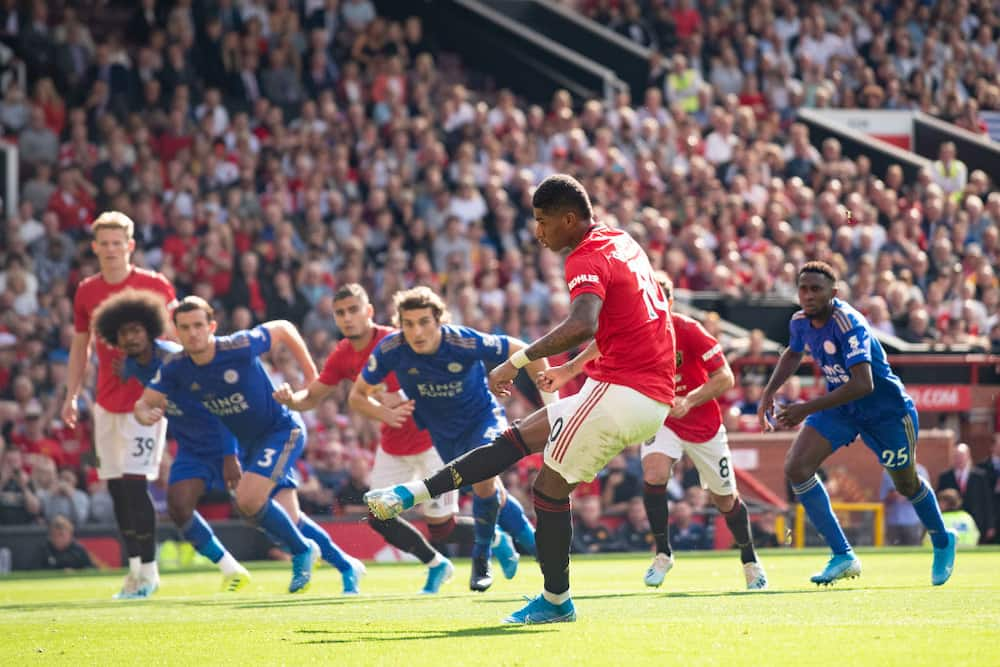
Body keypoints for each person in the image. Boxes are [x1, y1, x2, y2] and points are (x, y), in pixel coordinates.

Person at [366, 174, 676, 624]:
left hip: (625, 390)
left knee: (548, 489)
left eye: (543, 222)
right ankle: (409, 493)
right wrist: (571, 369)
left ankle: (555, 601)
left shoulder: (585, 257)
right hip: (640, 388)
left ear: (569, 219)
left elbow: (584, 322)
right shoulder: (622, 240)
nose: (538, 233)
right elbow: (622, 324)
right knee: (516, 438)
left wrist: (517, 362)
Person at [542, 272, 767, 590]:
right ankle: (663, 553)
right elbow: (601, 344)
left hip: (701, 423)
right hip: (662, 420)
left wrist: (690, 400)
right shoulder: (633, 330)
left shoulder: (689, 330)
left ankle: (749, 560)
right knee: (654, 472)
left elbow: (725, 377)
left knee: (725, 498)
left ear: (670, 301)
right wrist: (568, 370)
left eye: (658, 297)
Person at [134, 297, 365, 594]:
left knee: (248, 500)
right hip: (250, 444)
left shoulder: (237, 346)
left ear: (211, 327)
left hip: (281, 431)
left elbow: (282, 327)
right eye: (185, 328)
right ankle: (347, 566)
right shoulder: (176, 368)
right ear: (176, 332)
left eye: (198, 326)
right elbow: (144, 404)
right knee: (286, 516)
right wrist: (145, 416)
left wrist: (310, 375)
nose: (192, 333)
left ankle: (302, 551)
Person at [758, 261, 956, 586]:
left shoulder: (848, 323)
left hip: (887, 413)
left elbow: (864, 384)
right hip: (843, 408)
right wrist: (769, 392)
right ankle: (843, 555)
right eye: (803, 288)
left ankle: (941, 537)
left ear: (833, 293)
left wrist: (806, 408)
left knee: (906, 484)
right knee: (797, 467)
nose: (807, 295)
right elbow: (793, 353)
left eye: (815, 289)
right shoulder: (799, 321)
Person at [351, 285, 540, 592]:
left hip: (482, 420)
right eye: (409, 323)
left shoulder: (461, 341)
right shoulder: (391, 349)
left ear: (439, 320)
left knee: (484, 478)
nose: (417, 331)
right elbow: (357, 396)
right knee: (488, 493)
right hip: (442, 436)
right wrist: (382, 413)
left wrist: (548, 397)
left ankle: (482, 559)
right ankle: (530, 541)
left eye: (424, 322)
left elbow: (522, 349)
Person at [274, 284, 459, 594]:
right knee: (378, 515)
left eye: (353, 310)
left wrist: (404, 395)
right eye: (340, 313)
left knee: (441, 526)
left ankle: (497, 537)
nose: (347, 318)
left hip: (431, 440)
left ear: (369, 311)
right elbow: (313, 396)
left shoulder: (396, 339)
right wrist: (291, 399)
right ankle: (437, 564)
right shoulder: (343, 355)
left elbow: (434, 367)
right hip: (394, 445)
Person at [93, 288, 251, 592]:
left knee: (257, 507)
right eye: (123, 333)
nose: (131, 338)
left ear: (150, 329)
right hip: (192, 445)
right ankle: (231, 568)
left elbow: (220, 402)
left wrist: (230, 452)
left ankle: (329, 557)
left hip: (225, 434)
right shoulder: (131, 365)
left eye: (137, 330)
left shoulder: (174, 357)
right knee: (179, 507)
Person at [61, 211, 177, 599]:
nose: (111, 250)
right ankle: (134, 572)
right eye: (104, 244)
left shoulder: (154, 285)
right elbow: (82, 346)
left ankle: (150, 571)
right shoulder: (86, 291)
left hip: (146, 401)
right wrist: (72, 394)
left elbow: (175, 341)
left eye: (117, 243)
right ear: (94, 247)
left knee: (134, 483)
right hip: (106, 403)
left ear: (130, 246)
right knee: (115, 490)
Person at [936, 443, 994, 544]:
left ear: (968, 456)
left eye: (961, 456)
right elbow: (940, 501)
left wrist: (990, 525)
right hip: (952, 523)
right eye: (956, 456)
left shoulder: (980, 476)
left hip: (977, 522)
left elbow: (988, 501)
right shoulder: (945, 477)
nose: (959, 459)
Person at [880, 464, 929, 546]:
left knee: (914, 551)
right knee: (892, 553)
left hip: (914, 520)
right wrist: (893, 496)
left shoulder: (920, 471)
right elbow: (883, 497)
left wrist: (906, 494)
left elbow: (925, 496)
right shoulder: (887, 472)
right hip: (893, 521)